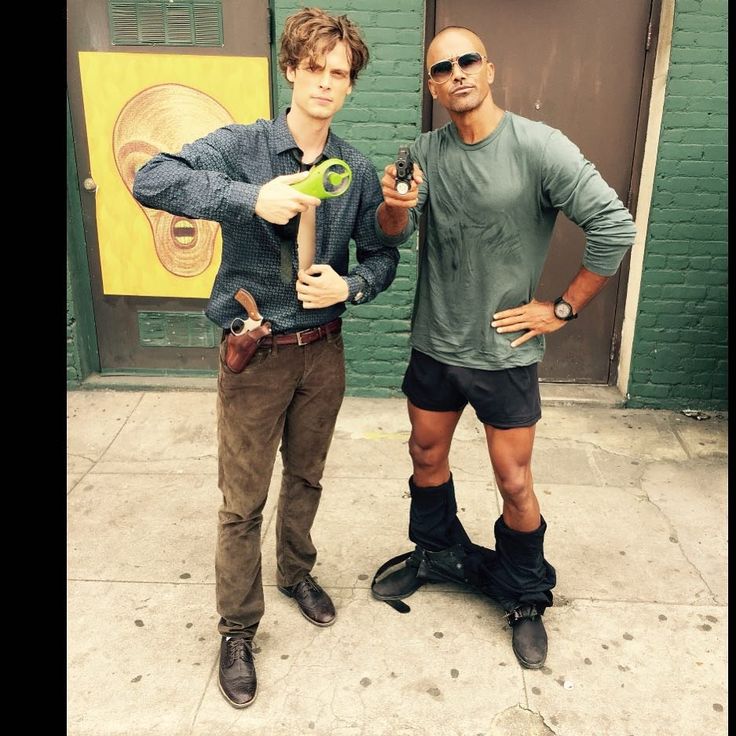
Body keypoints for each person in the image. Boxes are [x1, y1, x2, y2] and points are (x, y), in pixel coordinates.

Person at [133, 7, 413, 709]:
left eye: (339, 74)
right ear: (290, 70)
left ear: (350, 86)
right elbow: (151, 177)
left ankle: (296, 572)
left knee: (308, 479)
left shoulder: (354, 169)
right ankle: (237, 627)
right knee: (241, 503)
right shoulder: (241, 148)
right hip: (256, 356)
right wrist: (247, 198)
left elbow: (384, 255)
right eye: (314, 68)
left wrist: (350, 282)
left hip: (324, 353)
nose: (325, 82)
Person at [372, 25, 637, 670]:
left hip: (504, 354)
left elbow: (614, 224)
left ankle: (524, 593)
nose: (456, 73)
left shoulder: (539, 147)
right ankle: (436, 552)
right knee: (425, 453)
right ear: (433, 86)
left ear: (488, 69)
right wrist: (395, 206)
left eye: (467, 61)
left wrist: (562, 308)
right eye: (442, 68)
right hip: (436, 344)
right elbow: (394, 236)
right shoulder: (425, 153)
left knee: (514, 481)